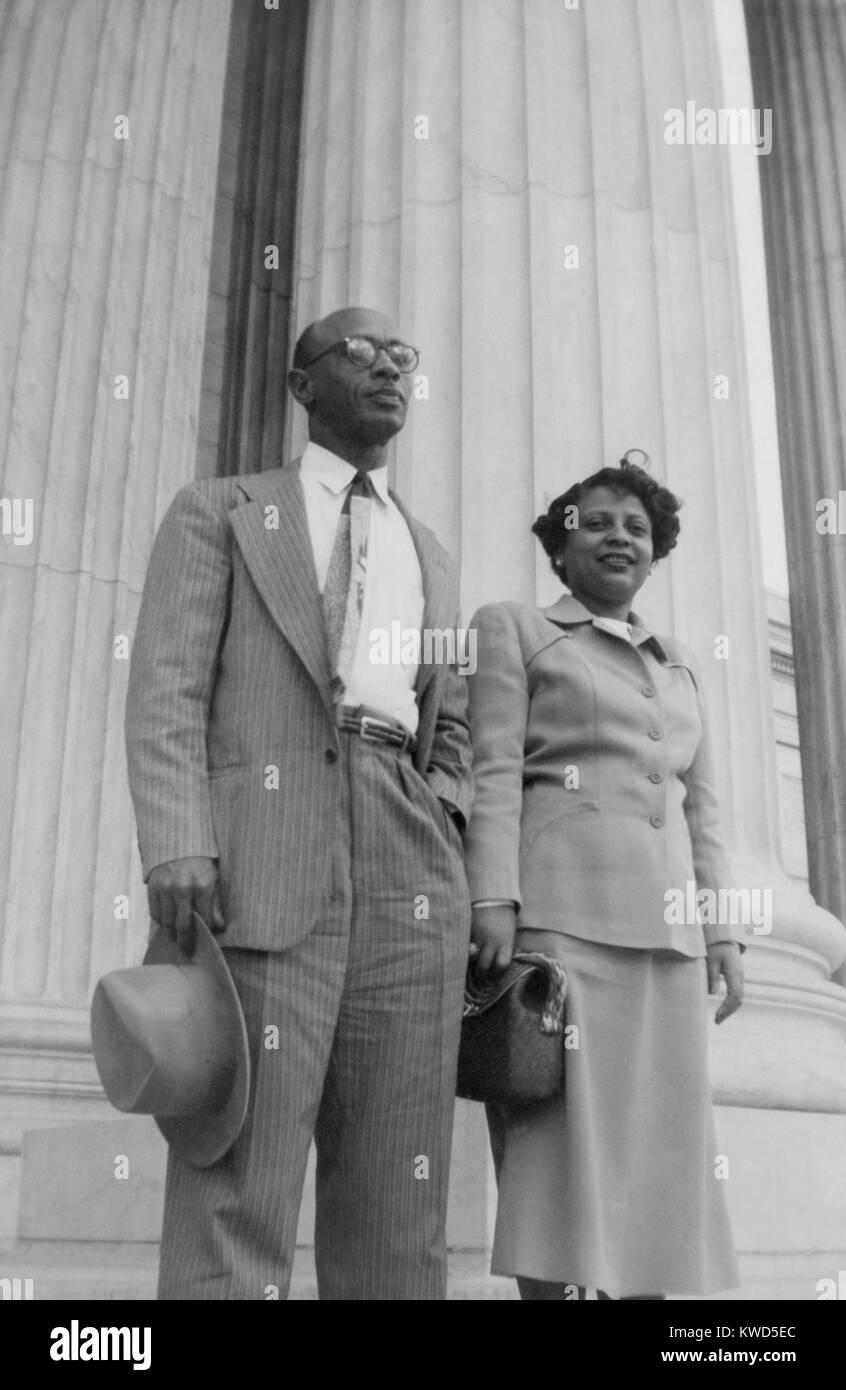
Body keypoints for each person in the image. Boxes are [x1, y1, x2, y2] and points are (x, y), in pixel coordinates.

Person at [125, 306, 472, 1300]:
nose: (387, 368)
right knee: (241, 1166)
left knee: (400, 1184)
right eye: (358, 351)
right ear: (302, 382)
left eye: (403, 355)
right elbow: (166, 688)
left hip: (408, 854)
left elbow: (452, 714)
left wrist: (442, 809)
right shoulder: (221, 509)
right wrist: (175, 840)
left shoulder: (431, 551)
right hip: (262, 849)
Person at [463, 456, 745, 1300]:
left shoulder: (682, 663)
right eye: (599, 521)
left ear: (655, 555)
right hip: (560, 929)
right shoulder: (514, 628)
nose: (620, 535)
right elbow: (493, 772)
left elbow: (706, 808)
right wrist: (492, 900)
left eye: (639, 528)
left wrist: (724, 929)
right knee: (555, 1154)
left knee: (662, 1157)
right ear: (561, 546)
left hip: (667, 940)